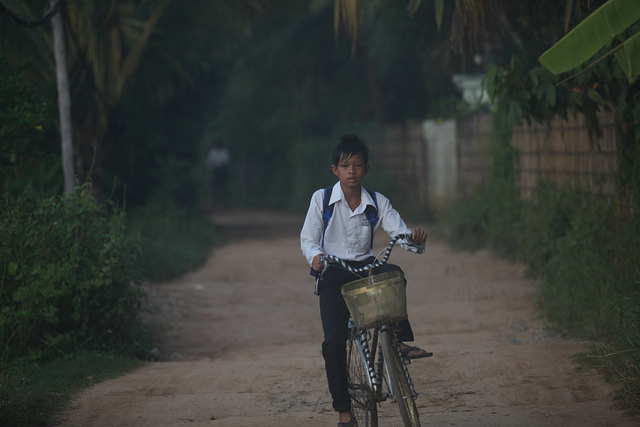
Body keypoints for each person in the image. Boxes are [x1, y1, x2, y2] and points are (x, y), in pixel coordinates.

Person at [300, 134, 429, 427]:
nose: (351, 171)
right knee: (333, 342)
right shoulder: (322, 200)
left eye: (357, 165)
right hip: (333, 270)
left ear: (366, 169)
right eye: (345, 165)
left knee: (393, 273)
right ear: (335, 169)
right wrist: (316, 256)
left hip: (366, 267)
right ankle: (345, 414)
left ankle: (397, 340)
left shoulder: (377, 202)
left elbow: (400, 233)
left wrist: (415, 239)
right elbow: (308, 238)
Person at [206, 140, 230, 207]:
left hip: (223, 169)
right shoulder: (212, 152)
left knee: (224, 182)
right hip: (215, 169)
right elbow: (209, 161)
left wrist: (222, 164)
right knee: (214, 183)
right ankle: (215, 199)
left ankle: (225, 197)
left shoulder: (224, 151)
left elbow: (226, 160)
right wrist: (209, 165)